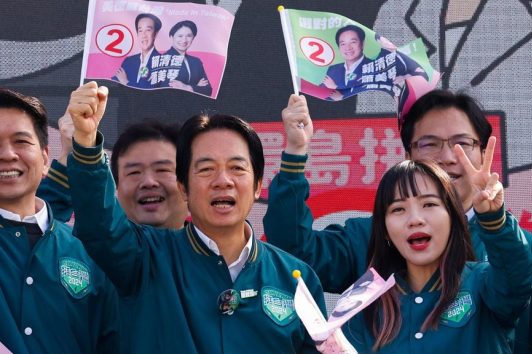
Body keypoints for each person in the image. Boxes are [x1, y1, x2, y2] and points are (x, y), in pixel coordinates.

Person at [264, 91, 532, 354]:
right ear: (407, 155)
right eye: (430, 144)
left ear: (485, 151)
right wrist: (295, 156)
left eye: (462, 143)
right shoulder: (368, 246)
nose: (447, 157)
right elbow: (294, 253)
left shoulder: (509, 248)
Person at [65, 81, 325, 353]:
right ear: (183, 188)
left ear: (258, 185)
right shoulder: (146, 258)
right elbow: (100, 224)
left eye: (237, 168)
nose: (223, 181)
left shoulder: (296, 279)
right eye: (206, 169)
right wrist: (85, 142)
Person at [341, 159, 532, 353]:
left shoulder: (481, 282)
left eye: (429, 204)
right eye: (398, 209)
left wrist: (494, 219)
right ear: (383, 228)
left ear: (453, 217)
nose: (415, 219)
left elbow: (518, 281)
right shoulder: (363, 304)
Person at [0, 88, 119, 354]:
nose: (8, 154)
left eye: (21, 141)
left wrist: (80, 144)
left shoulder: (88, 253)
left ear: (44, 158)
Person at [38, 116, 188, 229]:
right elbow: (36, 227)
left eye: (162, 170)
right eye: (134, 172)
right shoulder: (93, 253)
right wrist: (70, 155)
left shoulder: (210, 254)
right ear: (117, 189)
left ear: (186, 185)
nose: (148, 182)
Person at [154, 20, 212, 95]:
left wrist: (186, 87)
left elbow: (208, 90)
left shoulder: (196, 62)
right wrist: (196, 87)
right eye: (180, 36)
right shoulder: (162, 61)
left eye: (189, 36)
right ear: (171, 37)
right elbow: (169, 93)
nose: (184, 40)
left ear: (193, 38)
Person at [112, 13, 162, 89]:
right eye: (140, 30)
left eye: (148, 30)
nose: (144, 35)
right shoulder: (129, 61)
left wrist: (126, 82)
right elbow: (115, 82)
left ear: (155, 34)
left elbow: (148, 90)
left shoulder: (162, 62)